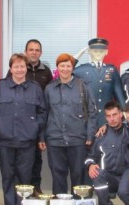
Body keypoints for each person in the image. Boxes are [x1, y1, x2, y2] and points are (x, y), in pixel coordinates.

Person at [0, 53, 46, 205]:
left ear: (26, 68)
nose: (19, 69)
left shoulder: (35, 88)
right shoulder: (0, 86)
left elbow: (42, 112)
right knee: (8, 175)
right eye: (16, 66)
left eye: (22, 66)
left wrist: (36, 129)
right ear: (11, 68)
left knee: (25, 175)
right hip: (4, 140)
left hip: (27, 140)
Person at [41, 53, 97, 195]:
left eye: (68, 66)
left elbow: (92, 113)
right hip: (55, 140)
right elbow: (44, 114)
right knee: (58, 176)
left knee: (78, 176)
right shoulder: (49, 89)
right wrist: (42, 137)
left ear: (72, 68)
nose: (65, 69)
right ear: (57, 67)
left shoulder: (83, 87)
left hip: (78, 140)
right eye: (62, 66)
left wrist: (90, 135)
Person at [6, 39, 53, 197]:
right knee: (19, 163)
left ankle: (35, 188)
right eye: (31, 49)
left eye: (37, 50)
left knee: (36, 159)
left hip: (37, 122)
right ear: (26, 52)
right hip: (19, 124)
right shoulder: (18, 68)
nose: (34, 52)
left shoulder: (46, 71)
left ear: (41, 52)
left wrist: (41, 128)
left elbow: (48, 96)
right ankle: (19, 193)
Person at [85, 101, 128, 205]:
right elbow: (90, 157)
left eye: (115, 115)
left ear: (121, 114)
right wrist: (90, 165)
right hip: (109, 178)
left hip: (127, 177)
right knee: (97, 174)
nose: (112, 119)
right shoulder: (101, 135)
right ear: (105, 117)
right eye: (108, 116)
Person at [73, 38, 126, 126]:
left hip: (107, 118)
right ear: (89, 52)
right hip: (87, 118)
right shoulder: (81, 70)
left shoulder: (111, 70)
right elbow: (65, 71)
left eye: (101, 51)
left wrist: (124, 111)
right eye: (95, 51)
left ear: (106, 52)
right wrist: (77, 56)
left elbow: (119, 94)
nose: (98, 53)